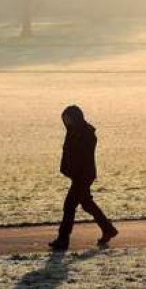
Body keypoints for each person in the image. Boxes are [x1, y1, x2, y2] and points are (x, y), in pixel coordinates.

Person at [48, 105, 118, 250]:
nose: (66, 122)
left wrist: (74, 169)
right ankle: (108, 229)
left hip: (83, 175)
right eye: (65, 120)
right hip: (79, 175)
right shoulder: (74, 131)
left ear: (75, 118)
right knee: (87, 204)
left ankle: (63, 239)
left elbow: (82, 155)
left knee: (69, 206)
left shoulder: (86, 133)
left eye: (68, 119)